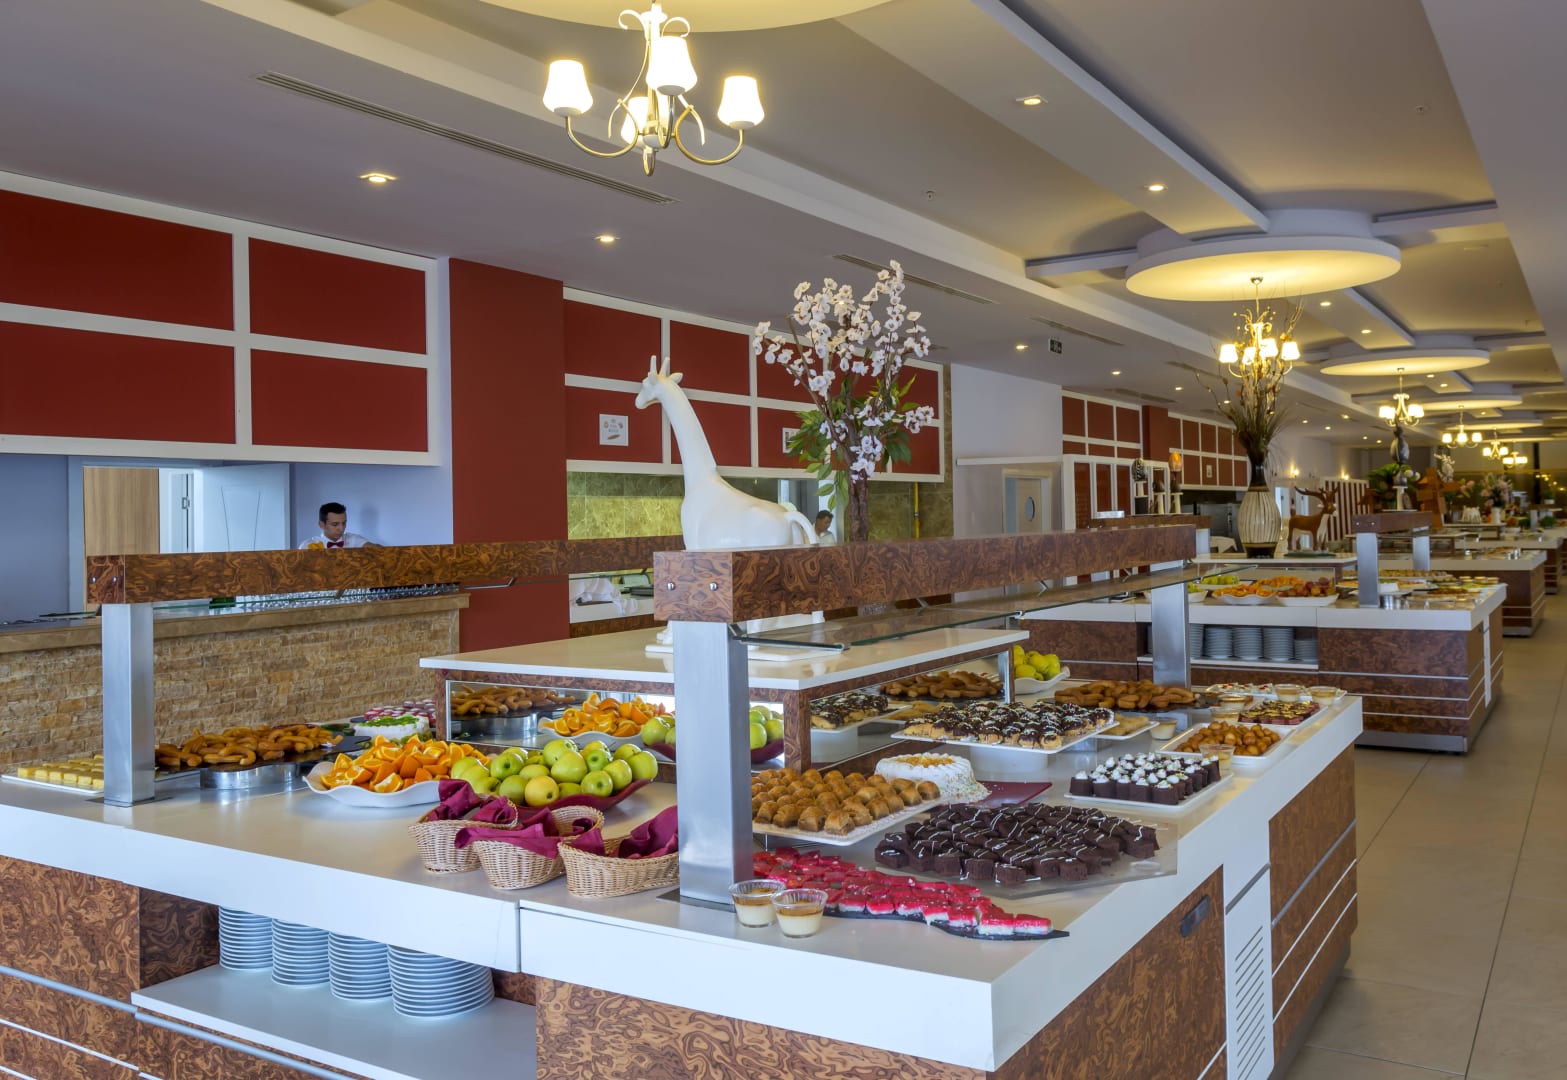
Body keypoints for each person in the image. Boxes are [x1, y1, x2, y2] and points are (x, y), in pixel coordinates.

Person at [299, 502, 376, 549]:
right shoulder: (308, 546)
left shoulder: (354, 540)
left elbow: (379, 551)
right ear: (321, 525)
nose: (341, 529)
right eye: (335, 524)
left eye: (344, 523)